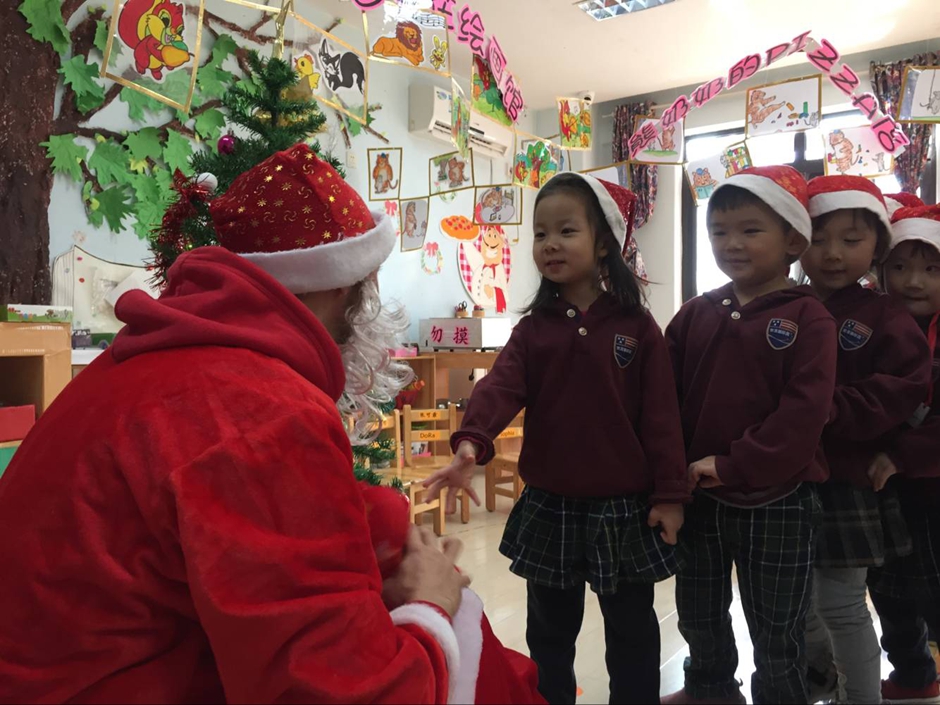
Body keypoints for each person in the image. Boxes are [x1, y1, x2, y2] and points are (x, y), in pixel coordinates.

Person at [0, 144, 524, 703]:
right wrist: (430, 605)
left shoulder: (155, 358)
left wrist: (382, 532)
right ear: (343, 282)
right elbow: (346, 692)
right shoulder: (267, 409)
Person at [425, 172, 690, 704]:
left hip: (623, 508)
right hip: (551, 506)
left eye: (567, 231)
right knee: (548, 634)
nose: (550, 244)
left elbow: (662, 418)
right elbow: (499, 386)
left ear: (604, 243)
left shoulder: (637, 327)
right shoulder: (533, 330)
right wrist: (471, 443)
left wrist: (669, 496)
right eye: (540, 233)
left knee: (632, 633)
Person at [662, 166, 838, 705]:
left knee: (776, 628)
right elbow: (661, 401)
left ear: (793, 240)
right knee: (698, 614)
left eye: (750, 230)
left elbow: (803, 415)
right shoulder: (696, 313)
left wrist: (733, 464)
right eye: (718, 231)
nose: (731, 243)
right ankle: (709, 690)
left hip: (779, 502)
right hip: (701, 499)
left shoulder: (809, 318)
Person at [798, 176, 932, 705]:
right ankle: (821, 678)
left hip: (847, 482)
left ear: (878, 246)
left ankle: (862, 697)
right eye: (817, 238)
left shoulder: (885, 315)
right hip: (784, 479)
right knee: (797, 603)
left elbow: (902, 389)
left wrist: (824, 410)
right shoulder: (785, 304)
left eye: (851, 240)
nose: (832, 253)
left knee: (842, 605)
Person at [868, 204, 940, 705]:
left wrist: (902, 453)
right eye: (899, 267)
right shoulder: (873, 326)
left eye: (931, 269)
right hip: (881, 486)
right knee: (888, 586)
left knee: (935, 587)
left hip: (932, 485)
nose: (913, 281)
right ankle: (914, 677)